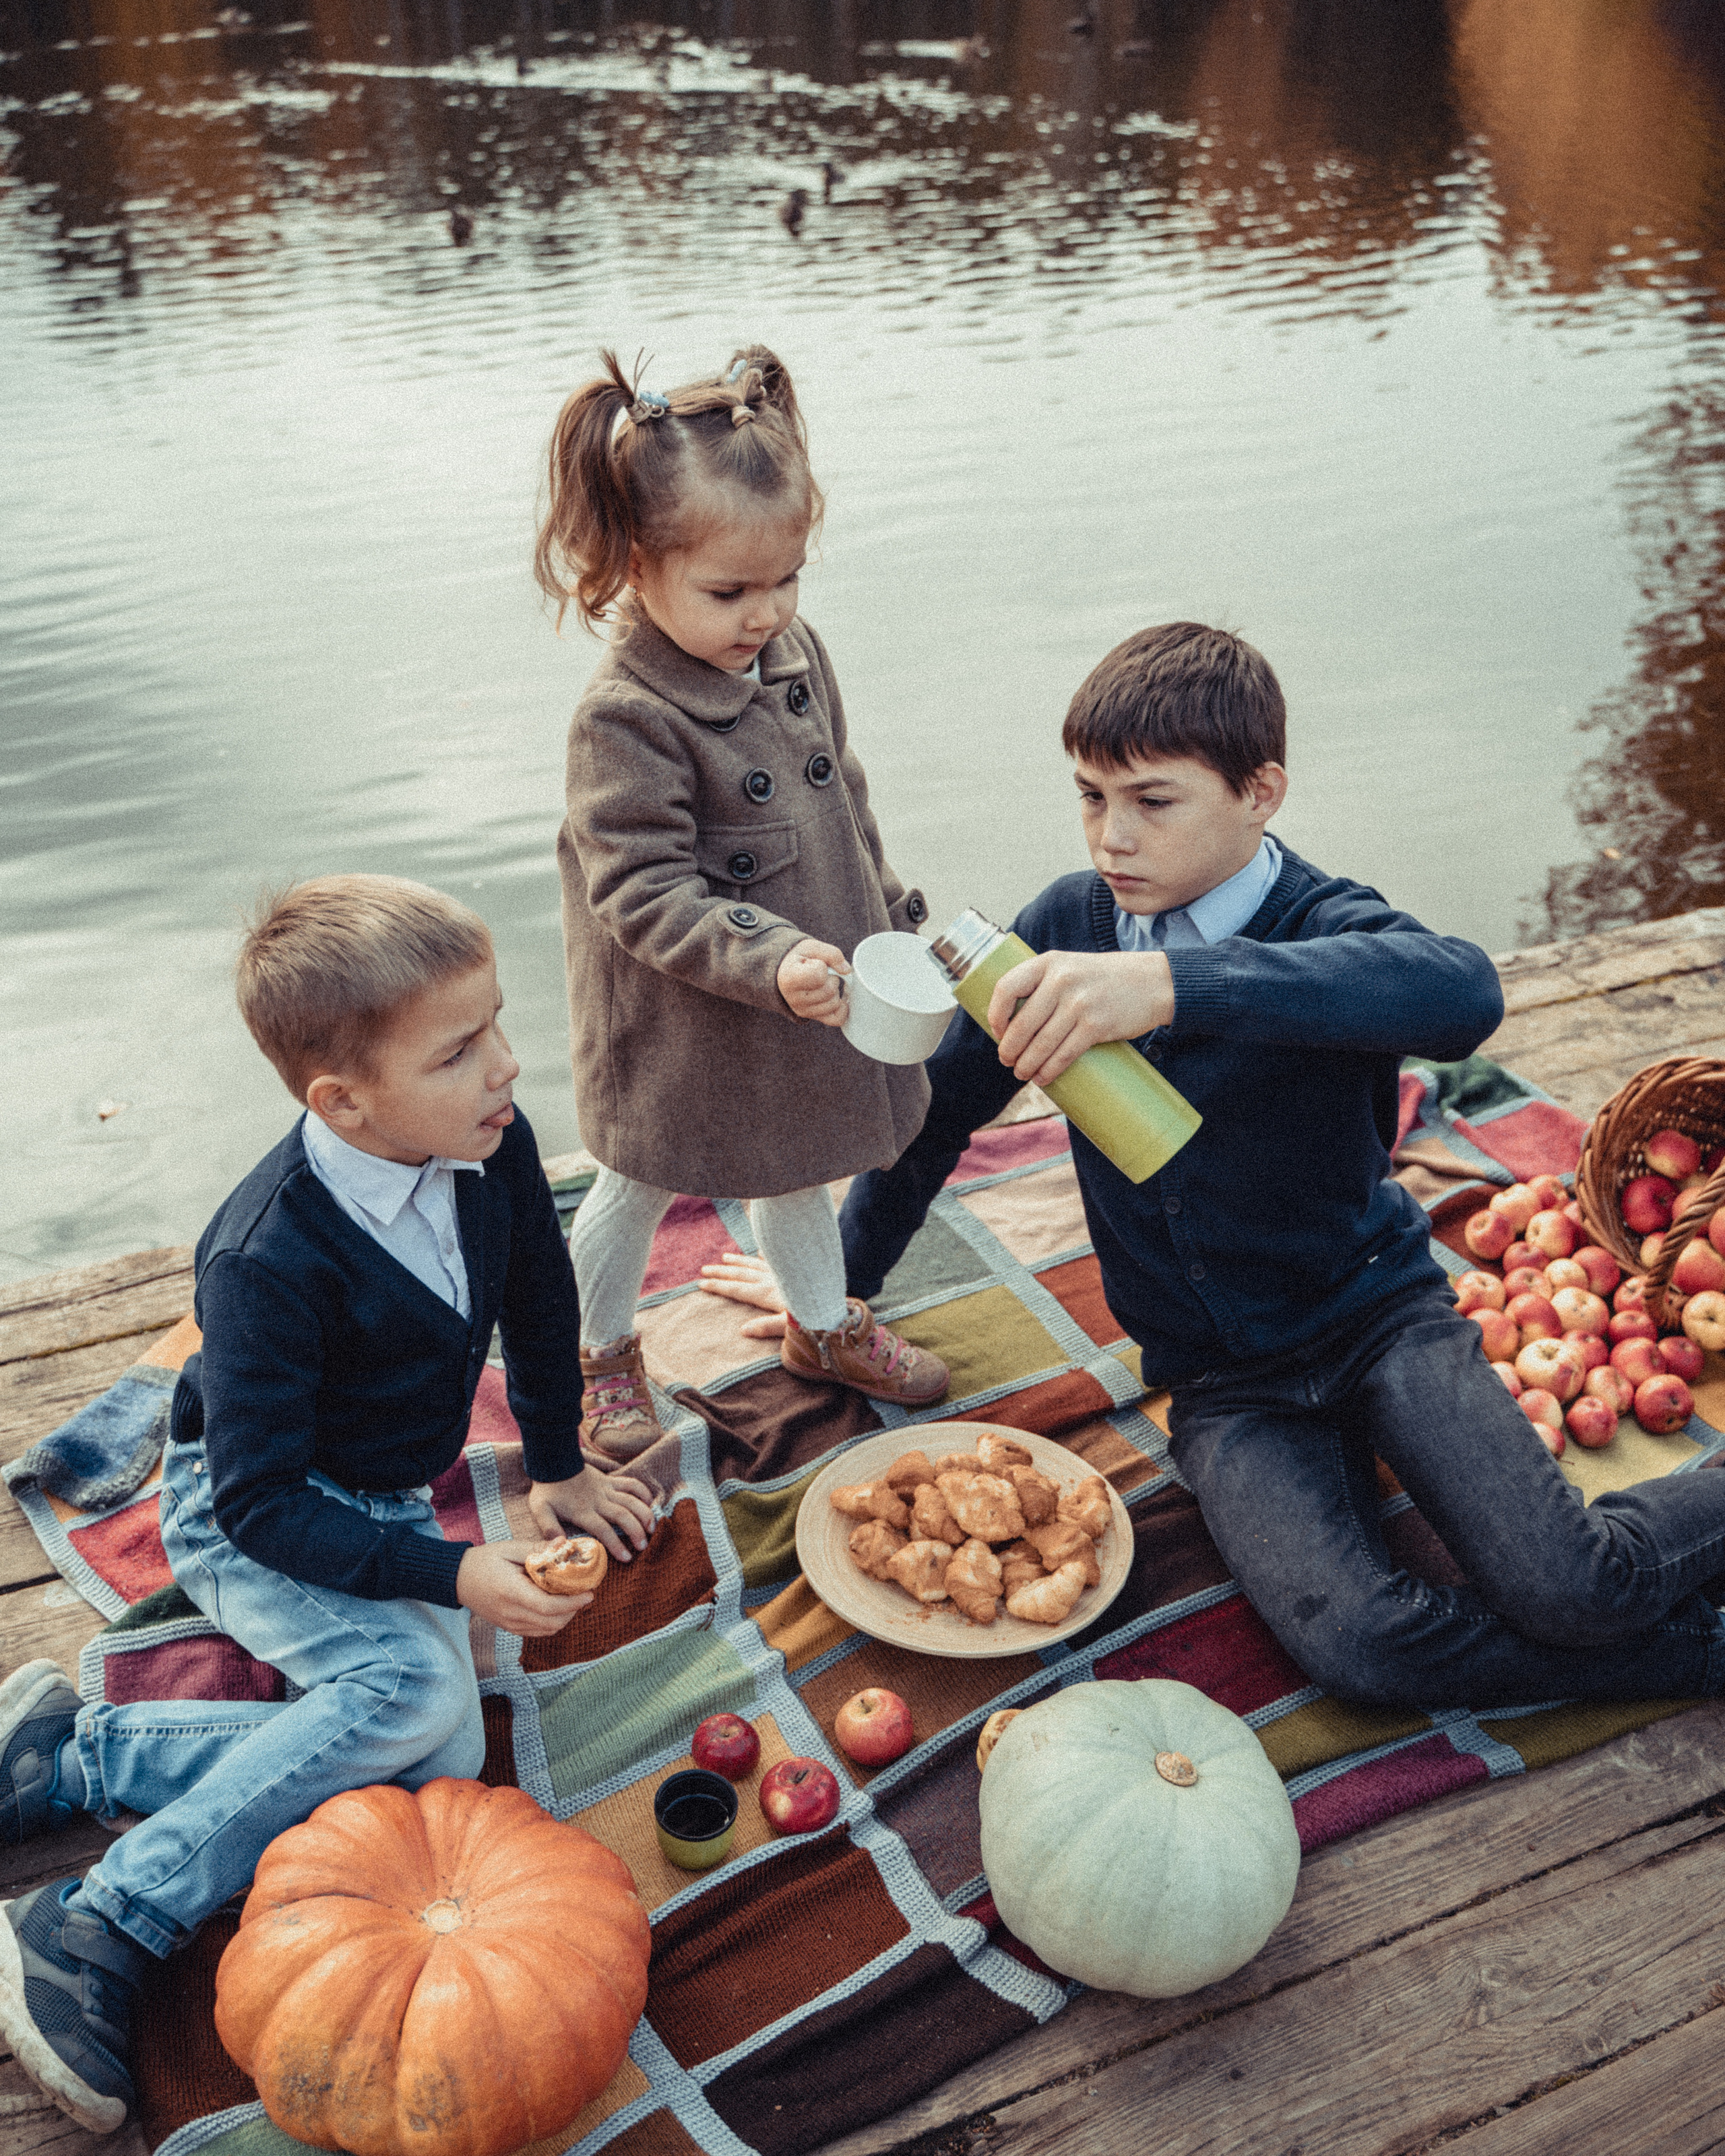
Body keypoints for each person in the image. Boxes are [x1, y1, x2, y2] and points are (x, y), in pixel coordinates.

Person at [782, 622, 1725, 1709]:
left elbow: (1464, 993)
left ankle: (1632, 1608)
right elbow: (933, 1121)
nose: (1111, 837)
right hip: (1226, 1381)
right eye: (1091, 796)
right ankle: (1693, 1654)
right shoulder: (1062, 931)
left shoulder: (1321, 922)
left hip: (1379, 1316)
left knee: (1575, 1589)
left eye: (1151, 800)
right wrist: (834, 1290)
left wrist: (1177, 988)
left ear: (1259, 793)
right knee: (1364, 1649)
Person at [0, 875, 654, 2134]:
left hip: (380, 1491)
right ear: (340, 1102)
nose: (511, 1069)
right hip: (258, 1502)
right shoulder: (265, 1260)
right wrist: (457, 1574)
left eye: (500, 1025)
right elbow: (256, 1504)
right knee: (411, 1705)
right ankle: (101, 1916)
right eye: (461, 1051)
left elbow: (539, 1298)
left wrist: (560, 1461)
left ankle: (79, 1756)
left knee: (448, 1753)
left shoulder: (490, 1141)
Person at [534, 343, 949, 1461]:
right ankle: (602, 1351)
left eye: (788, 578)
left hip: (809, 985)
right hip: (683, 1012)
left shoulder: (794, 653)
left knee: (802, 1158)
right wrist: (766, 959)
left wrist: (896, 917)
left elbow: (844, 798)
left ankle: (821, 1324)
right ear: (632, 563)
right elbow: (640, 888)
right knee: (637, 1178)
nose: (768, 612)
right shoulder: (624, 719)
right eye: (731, 591)